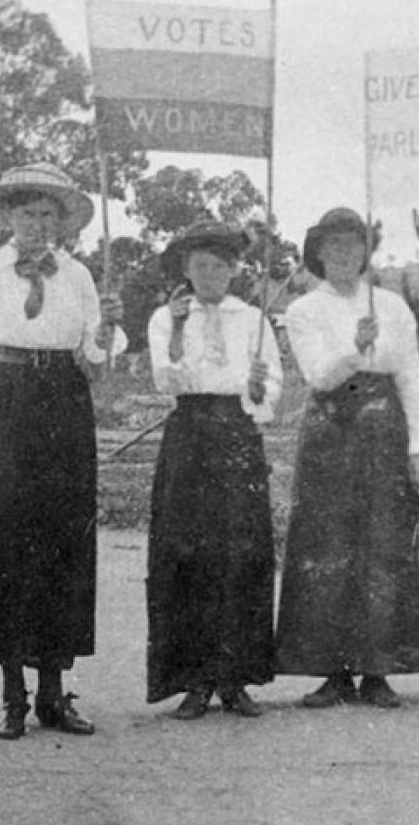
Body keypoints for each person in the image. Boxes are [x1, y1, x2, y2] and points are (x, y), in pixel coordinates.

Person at [0, 163, 120, 740]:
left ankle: (53, 695)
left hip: (64, 409)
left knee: (61, 545)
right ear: (9, 216)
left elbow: (93, 366)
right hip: (7, 402)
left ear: (63, 221)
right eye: (28, 213)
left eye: (49, 214)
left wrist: (107, 335)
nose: (38, 224)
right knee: (5, 550)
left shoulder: (78, 276)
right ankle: (12, 697)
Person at [275, 208, 419, 709]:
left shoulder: (392, 305)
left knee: (383, 544)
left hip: (384, 427)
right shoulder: (304, 310)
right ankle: (332, 671)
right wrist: (353, 347)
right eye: (333, 246)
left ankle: (378, 669)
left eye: (353, 245)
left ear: (367, 252)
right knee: (329, 546)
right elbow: (319, 374)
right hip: (331, 430)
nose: (344, 254)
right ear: (318, 254)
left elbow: (410, 375)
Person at [145, 221, 282, 720]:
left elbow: (271, 393)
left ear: (235, 269)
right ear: (186, 269)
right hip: (190, 433)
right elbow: (166, 379)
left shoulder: (254, 318)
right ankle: (194, 680)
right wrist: (181, 328)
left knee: (240, 554)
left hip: (237, 435)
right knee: (188, 553)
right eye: (201, 266)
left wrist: (260, 387)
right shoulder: (167, 317)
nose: (211, 275)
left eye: (221, 265)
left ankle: (236, 679)